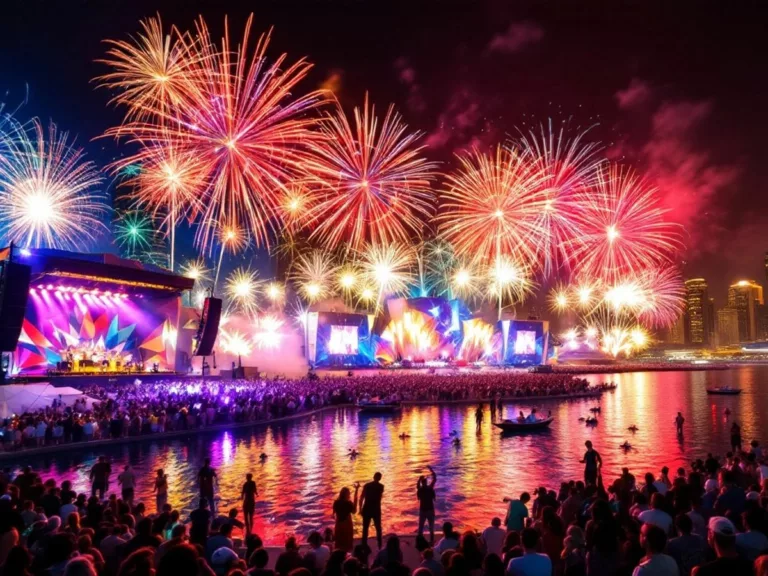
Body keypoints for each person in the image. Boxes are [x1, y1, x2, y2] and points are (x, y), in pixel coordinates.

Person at [360, 472, 384, 550]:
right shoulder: (381, 487)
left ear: (373, 477)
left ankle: (364, 545)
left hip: (366, 509)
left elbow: (361, 498)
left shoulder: (366, 486)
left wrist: (360, 509)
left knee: (365, 528)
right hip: (376, 509)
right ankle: (380, 545)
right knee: (378, 528)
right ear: (380, 478)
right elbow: (380, 498)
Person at [333, 483, 360, 553]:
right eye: (349, 494)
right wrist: (356, 491)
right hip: (347, 524)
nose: (349, 495)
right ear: (346, 495)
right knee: (347, 543)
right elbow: (354, 511)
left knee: (339, 542)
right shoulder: (348, 503)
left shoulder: (336, 502)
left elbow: (333, 515)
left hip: (338, 524)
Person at [417, 466, 437, 544]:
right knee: (431, 527)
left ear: (422, 483)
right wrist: (431, 470)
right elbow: (435, 479)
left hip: (423, 510)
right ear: (426, 482)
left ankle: (419, 541)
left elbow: (417, 486)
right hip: (430, 510)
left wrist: (419, 479)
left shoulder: (420, 490)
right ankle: (431, 541)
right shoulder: (430, 488)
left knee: (421, 527)